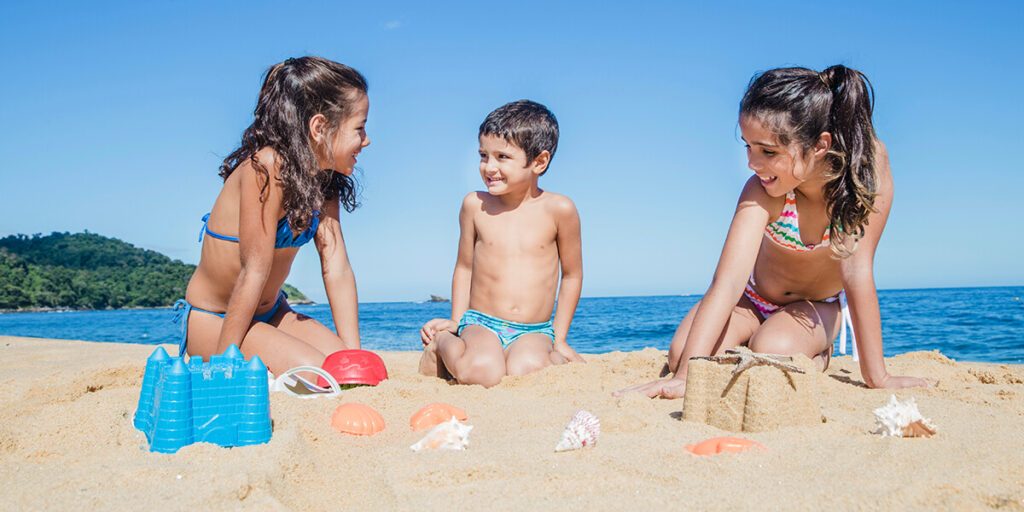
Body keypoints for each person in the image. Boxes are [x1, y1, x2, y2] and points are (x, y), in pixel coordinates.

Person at [617, 65, 929, 399]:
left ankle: (817, 351)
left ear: (820, 145)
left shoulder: (865, 172)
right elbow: (728, 281)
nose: (752, 163)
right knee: (685, 356)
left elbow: (857, 271)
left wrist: (876, 375)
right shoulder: (761, 189)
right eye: (747, 146)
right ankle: (748, 341)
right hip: (751, 300)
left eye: (767, 151)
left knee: (770, 350)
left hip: (815, 306)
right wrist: (682, 376)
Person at [173, 56, 369, 374]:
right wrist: (226, 365)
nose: (366, 140)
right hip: (217, 321)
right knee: (317, 374)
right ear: (320, 128)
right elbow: (254, 271)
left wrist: (354, 355)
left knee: (345, 372)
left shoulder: (327, 180)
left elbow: (337, 268)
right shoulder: (265, 167)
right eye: (359, 128)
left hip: (274, 313)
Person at [418, 100, 585, 387]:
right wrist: (456, 321)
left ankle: (547, 353)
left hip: (535, 329)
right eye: (483, 155)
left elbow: (571, 275)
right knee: (482, 373)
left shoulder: (560, 209)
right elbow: (464, 267)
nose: (489, 167)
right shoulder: (475, 205)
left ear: (539, 162)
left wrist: (559, 337)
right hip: (482, 323)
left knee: (529, 371)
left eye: (502, 157)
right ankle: (441, 344)